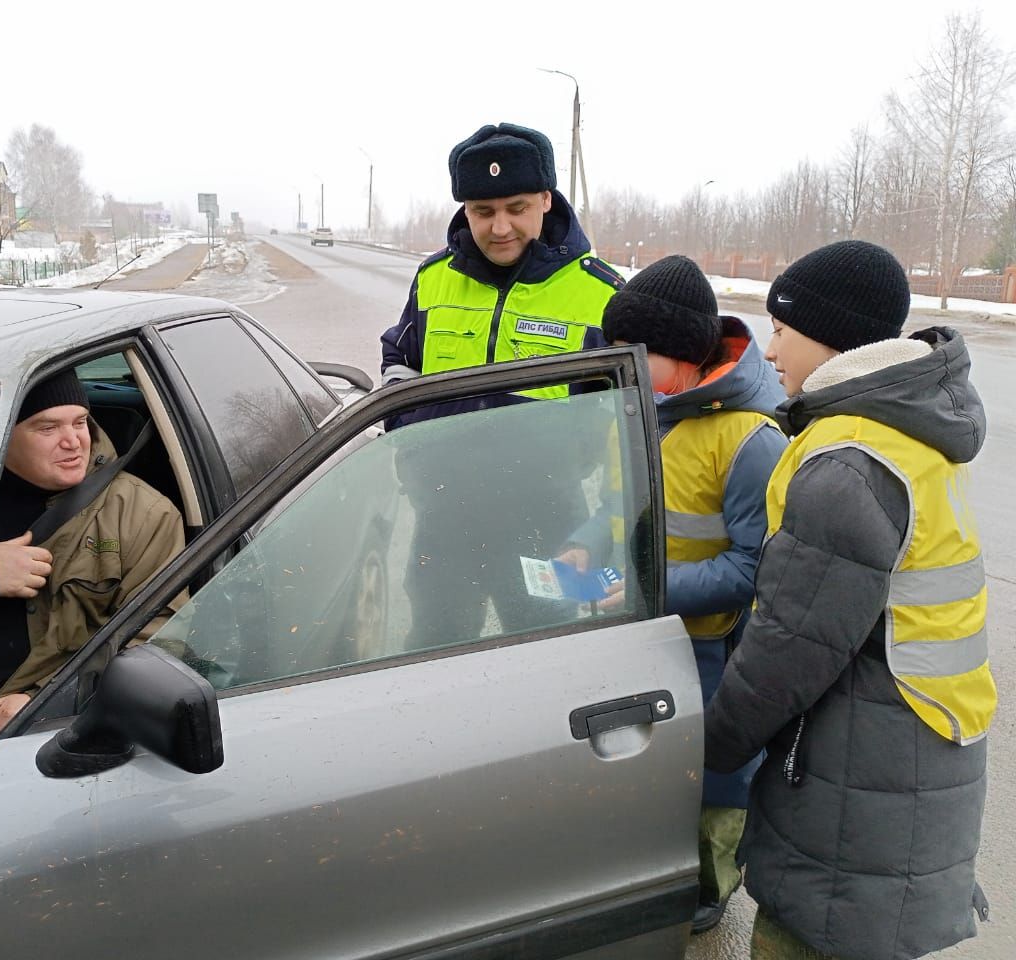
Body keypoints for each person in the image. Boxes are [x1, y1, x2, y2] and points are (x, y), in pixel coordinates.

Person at [704, 240, 996, 959]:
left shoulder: (846, 466)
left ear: (829, 334)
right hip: (912, 749)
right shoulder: (903, 431)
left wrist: (710, 748)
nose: (768, 349)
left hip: (864, 773)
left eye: (780, 328)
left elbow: (788, 651)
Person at [557, 255, 786, 933]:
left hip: (715, 646)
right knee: (648, 763)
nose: (623, 362)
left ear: (679, 355)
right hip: (647, 623)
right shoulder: (650, 407)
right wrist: (583, 540)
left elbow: (753, 570)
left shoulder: (750, 438)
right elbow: (624, 507)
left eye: (637, 351)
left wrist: (648, 587)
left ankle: (710, 886)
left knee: (717, 772)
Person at [378, 122, 623, 642]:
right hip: (444, 519)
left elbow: (621, 418)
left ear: (546, 200)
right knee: (432, 649)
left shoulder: (599, 291)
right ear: (465, 209)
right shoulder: (433, 278)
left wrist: (602, 523)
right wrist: (418, 451)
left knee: (542, 657)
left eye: (517, 208)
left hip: (549, 524)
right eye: (483, 212)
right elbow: (399, 362)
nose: (500, 227)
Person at [0, 369, 186, 754]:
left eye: (80, 422)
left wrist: (48, 703)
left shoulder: (143, 515)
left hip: (39, 734)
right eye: (47, 428)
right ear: (2, 434)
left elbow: (158, 641)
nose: (74, 441)